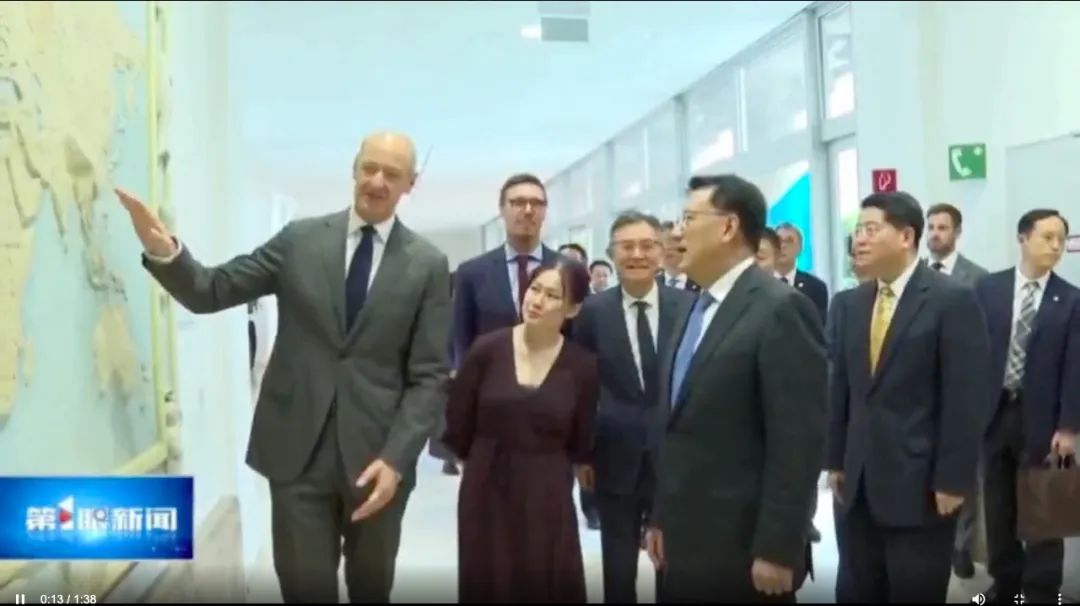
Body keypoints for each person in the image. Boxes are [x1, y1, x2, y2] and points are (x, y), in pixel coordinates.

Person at [116, 131, 451, 603]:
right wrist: (164, 250)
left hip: (377, 460)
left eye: (391, 174)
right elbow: (212, 290)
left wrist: (397, 459)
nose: (376, 181)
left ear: (410, 184)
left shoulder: (428, 265)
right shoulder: (300, 240)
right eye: (369, 168)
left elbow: (429, 375)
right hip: (298, 457)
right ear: (354, 169)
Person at [646, 174, 826, 603]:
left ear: (728, 227)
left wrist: (777, 547)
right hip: (684, 540)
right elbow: (678, 426)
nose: (676, 233)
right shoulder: (694, 307)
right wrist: (661, 516)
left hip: (743, 548)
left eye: (688, 219)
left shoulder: (780, 308)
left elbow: (797, 440)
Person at [827, 191, 989, 603]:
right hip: (857, 485)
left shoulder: (951, 299)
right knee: (856, 589)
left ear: (906, 236)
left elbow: (966, 397)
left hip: (921, 486)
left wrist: (953, 478)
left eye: (871, 229)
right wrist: (835, 460)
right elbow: (840, 387)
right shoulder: (848, 303)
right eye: (857, 230)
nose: (860, 239)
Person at [442, 259, 598, 603]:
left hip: (547, 487)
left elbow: (582, 437)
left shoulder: (582, 366)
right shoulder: (487, 349)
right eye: (534, 289)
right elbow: (458, 419)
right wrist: (475, 462)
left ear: (572, 309)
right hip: (486, 482)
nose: (537, 300)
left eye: (552, 295)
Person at [573, 211, 694, 603]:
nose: (637, 254)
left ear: (662, 252)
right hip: (613, 455)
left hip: (676, 459)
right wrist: (583, 454)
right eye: (627, 246)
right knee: (618, 569)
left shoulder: (690, 306)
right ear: (611, 254)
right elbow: (582, 387)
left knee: (674, 567)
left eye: (647, 245)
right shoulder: (592, 312)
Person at [973, 209, 1080, 604]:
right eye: (1047, 237)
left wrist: (1068, 426)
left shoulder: (1071, 300)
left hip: (1043, 421)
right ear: (1023, 238)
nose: (1055, 246)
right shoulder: (989, 288)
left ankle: (1041, 591)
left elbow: (1075, 367)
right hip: (994, 413)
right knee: (998, 508)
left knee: (1043, 510)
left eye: (1061, 239)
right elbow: (972, 352)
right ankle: (1005, 585)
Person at [922, 202, 989, 578]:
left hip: (959, 388)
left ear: (957, 232)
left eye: (942, 227)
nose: (935, 234)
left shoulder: (977, 279)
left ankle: (962, 547)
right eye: (931, 227)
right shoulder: (915, 275)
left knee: (964, 472)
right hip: (921, 391)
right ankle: (933, 541)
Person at [774, 223, 829, 323]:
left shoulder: (816, 287)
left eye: (789, 241)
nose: (783, 246)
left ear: (800, 248)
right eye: (778, 241)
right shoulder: (760, 284)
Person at [656, 220, 700, 292]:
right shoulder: (651, 285)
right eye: (660, 243)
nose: (666, 247)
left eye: (673, 240)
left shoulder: (702, 284)